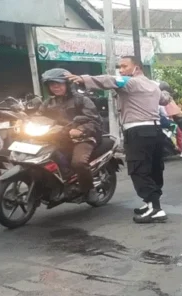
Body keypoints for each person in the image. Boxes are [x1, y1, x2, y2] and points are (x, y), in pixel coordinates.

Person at [68, 56, 170, 223]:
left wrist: (84, 79)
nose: (121, 70)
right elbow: (164, 99)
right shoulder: (152, 85)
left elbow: (110, 80)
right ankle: (151, 203)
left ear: (136, 68)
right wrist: (167, 93)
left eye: (124, 66)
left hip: (137, 131)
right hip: (155, 130)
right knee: (153, 168)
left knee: (138, 169)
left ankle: (156, 209)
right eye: (119, 67)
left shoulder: (130, 82)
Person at [38, 68, 102, 201]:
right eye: (52, 84)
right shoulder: (48, 103)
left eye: (59, 84)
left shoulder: (81, 100)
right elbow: (38, 117)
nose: (55, 87)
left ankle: (88, 189)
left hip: (81, 138)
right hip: (57, 137)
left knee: (78, 163)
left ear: (67, 84)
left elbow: (94, 121)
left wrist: (81, 129)